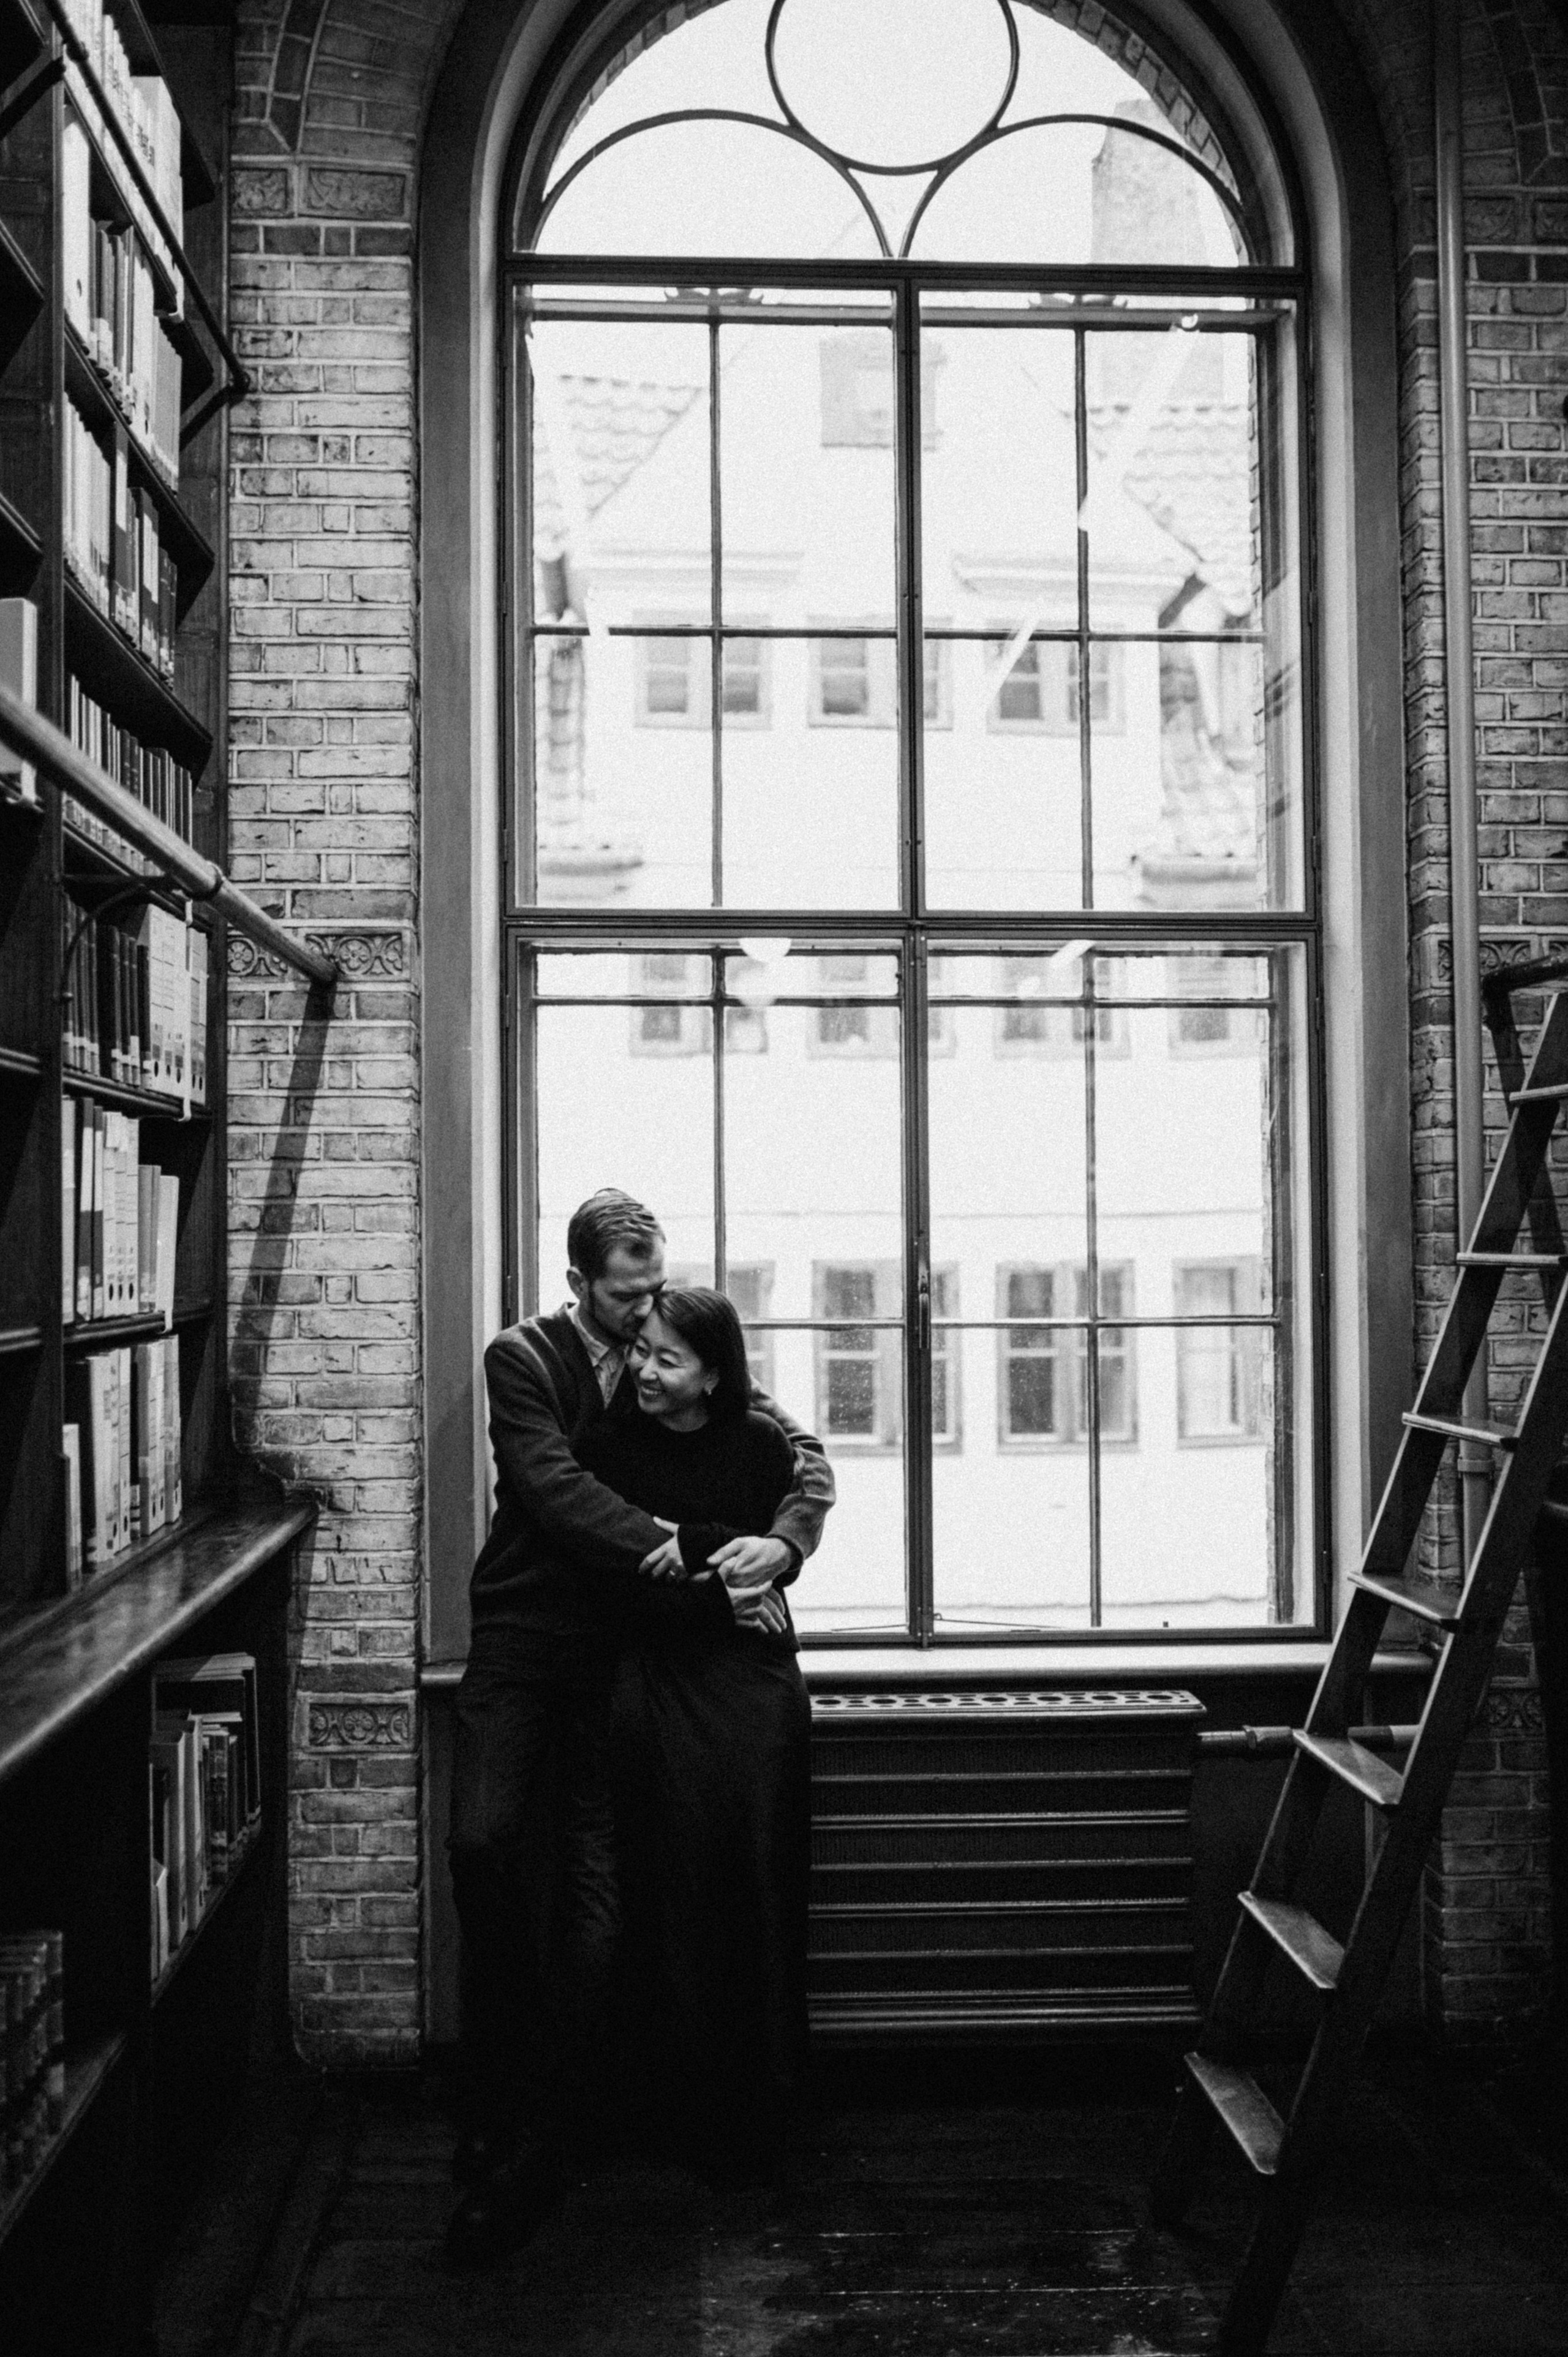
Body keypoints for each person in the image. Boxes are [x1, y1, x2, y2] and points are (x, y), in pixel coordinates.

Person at [445, 1191, 832, 2268]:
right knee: (484, 1848)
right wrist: (699, 1548)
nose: (645, 1313)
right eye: (627, 1297)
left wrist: (786, 1545)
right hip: (533, 1641)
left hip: (624, 1656)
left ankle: (560, 2126)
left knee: (605, 1900)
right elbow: (559, 1487)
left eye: (657, 1291)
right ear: (579, 1285)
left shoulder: (668, 1360)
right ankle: (497, 2106)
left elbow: (792, 1444)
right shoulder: (528, 1358)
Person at [576, 1287, 816, 2174]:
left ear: (715, 1373)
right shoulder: (605, 1447)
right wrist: (718, 1580)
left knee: (760, 1880)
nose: (643, 1368)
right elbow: (615, 1587)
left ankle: (765, 2106)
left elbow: (771, 1564)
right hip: (661, 1679)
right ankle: (673, 2111)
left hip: (754, 1693)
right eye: (640, 1351)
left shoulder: (757, 1441)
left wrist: (698, 1547)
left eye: (667, 1359)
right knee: (667, 1888)